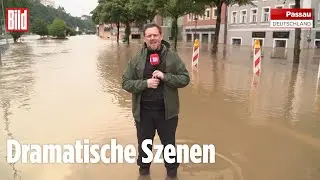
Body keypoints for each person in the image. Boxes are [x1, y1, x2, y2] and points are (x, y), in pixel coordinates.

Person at [121, 23, 190, 179]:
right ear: (145, 38)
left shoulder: (172, 56)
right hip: (143, 112)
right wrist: (145, 84)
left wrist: (166, 77)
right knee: (144, 146)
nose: (152, 38)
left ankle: (172, 175)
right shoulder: (137, 59)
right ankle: (144, 174)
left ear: (161, 36)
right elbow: (125, 82)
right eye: (149, 35)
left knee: (169, 146)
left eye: (155, 35)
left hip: (167, 112)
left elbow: (185, 79)